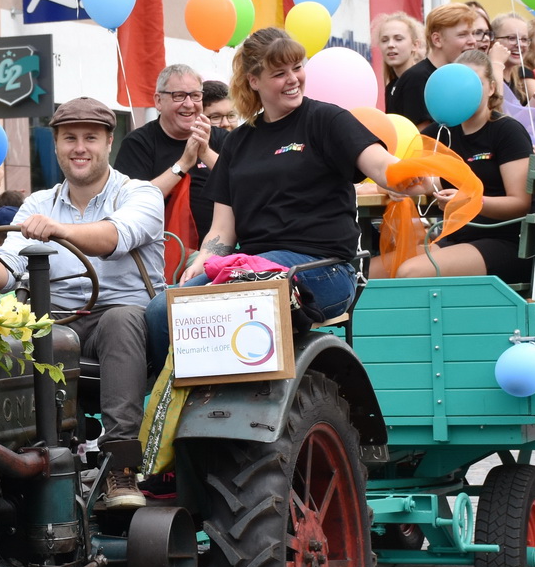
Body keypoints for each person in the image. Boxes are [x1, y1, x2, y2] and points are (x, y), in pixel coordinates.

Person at [145, 27, 435, 370]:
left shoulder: (327, 120)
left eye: (297, 67)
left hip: (323, 268)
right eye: (279, 73)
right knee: (161, 310)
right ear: (254, 81)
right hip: (252, 269)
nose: (293, 79)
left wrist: (418, 177)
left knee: (248, 291)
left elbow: (384, 167)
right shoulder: (238, 142)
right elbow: (222, 230)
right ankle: (177, 393)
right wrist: (203, 261)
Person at [0, 98, 164, 507]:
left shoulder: (139, 194)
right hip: (58, 321)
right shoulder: (38, 203)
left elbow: (114, 237)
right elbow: (7, 272)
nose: (79, 148)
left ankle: (121, 467)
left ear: (109, 142)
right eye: (69, 138)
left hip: (124, 321)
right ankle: (17, 462)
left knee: (121, 321)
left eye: (90, 138)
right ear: (56, 145)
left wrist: (58, 230)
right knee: (15, 333)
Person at [392, 50, 535, 284]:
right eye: (458, 83)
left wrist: (470, 202)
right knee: (372, 271)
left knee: (409, 272)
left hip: (505, 241)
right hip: (455, 239)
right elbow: (415, 175)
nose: (465, 89)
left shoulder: (506, 131)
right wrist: (402, 185)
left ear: (491, 88)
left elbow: (521, 203)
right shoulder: (439, 132)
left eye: (475, 83)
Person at [113, 64, 226, 240]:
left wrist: (206, 153)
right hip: (159, 248)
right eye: (178, 96)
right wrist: (182, 165)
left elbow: (244, 189)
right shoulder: (138, 143)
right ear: (158, 101)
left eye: (195, 96)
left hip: (219, 247)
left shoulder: (221, 139)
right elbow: (132, 203)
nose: (189, 104)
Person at [384, 3, 485, 128]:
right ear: (437, 40)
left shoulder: (460, 78)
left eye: (473, 34)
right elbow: (422, 137)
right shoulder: (418, 79)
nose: (473, 41)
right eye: (462, 35)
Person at [372, 12, 426, 112]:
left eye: (398, 39)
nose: (390, 45)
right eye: (384, 40)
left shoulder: (418, 79)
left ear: (415, 45)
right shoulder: (391, 87)